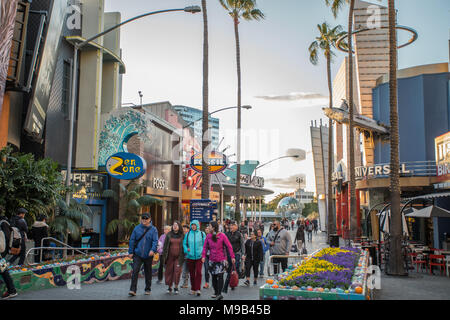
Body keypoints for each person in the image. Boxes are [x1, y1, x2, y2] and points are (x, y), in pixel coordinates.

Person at [201, 221, 235, 300]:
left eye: (209, 226)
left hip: (221, 260)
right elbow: (205, 247)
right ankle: (216, 292)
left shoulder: (222, 235)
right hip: (212, 260)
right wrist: (203, 256)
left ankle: (219, 293)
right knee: (213, 277)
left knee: (220, 276)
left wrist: (232, 257)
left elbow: (229, 246)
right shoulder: (208, 236)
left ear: (213, 227)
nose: (208, 228)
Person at [128, 212, 158, 296]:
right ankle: (133, 290)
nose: (144, 220)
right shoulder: (137, 228)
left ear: (150, 219)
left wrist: (152, 250)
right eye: (143, 218)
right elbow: (132, 240)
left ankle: (148, 289)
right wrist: (130, 252)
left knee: (148, 272)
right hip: (137, 254)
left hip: (148, 254)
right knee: (135, 271)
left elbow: (155, 241)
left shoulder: (154, 229)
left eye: (146, 218)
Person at [183, 220, 205, 296]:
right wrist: (186, 250)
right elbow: (184, 244)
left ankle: (198, 289)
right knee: (192, 273)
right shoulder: (188, 234)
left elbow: (205, 245)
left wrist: (203, 254)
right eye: (192, 225)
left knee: (199, 272)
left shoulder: (202, 234)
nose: (193, 226)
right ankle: (193, 288)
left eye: (195, 225)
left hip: (199, 256)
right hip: (190, 256)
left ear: (197, 225)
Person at [163, 221, 185, 295]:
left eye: (176, 225)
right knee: (169, 271)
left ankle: (176, 287)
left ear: (179, 226)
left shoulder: (182, 235)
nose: (175, 226)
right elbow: (165, 246)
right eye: (173, 225)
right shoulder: (169, 235)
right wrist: (164, 257)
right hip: (169, 257)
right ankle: (169, 287)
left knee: (177, 271)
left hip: (179, 257)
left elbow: (185, 245)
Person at [223, 221, 245, 294]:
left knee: (235, 267)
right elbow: (224, 245)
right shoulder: (226, 234)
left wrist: (243, 254)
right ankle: (232, 281)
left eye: (233, 225)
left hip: (237, 253)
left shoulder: (239, 234)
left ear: (236, 227)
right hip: (228, 254)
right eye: (230, 225)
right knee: (229, 269)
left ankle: (232, 281)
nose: (231, 227)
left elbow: (242, 244)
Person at [0, 214, 18, 299]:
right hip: (2, 253)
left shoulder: (2, 223)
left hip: (1, 253)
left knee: (4, 271)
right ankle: (12, 290)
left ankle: (12, 290)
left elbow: (5, 239)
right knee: (4, 271)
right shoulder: (4, 222)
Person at [203, 224, 211, 289]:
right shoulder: (203, 236)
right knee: (206, 269)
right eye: (206, 229)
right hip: (205, 255)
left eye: (208, 229)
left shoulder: (213, 236)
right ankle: (207, 283)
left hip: (212, 255)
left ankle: (215, 282)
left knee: (213, 269)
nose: (207, 230)